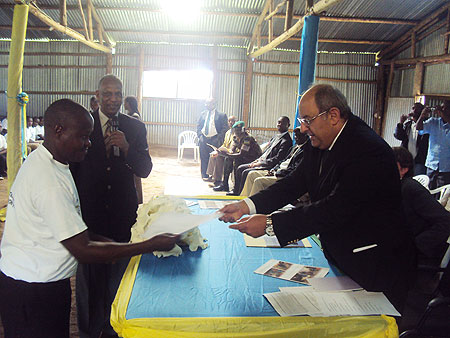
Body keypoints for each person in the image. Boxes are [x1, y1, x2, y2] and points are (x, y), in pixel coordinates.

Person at [219, 84, 416, 313]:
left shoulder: (368, 151)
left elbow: (335, 208)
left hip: (375, 264)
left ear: (332, 115)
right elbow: (296, 182)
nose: (303, 128)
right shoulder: (321, 139)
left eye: (307, 120)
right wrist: (247, 205)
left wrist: (271, 224)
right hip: (343, 254)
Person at [0, 99, 178, 338]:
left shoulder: (50, 163)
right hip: (32, 289)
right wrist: (149, 245)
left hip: (38, 281)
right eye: (83, 136)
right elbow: (83, 249)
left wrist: (115, 246)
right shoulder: (49, 181)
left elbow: (71, 229)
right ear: (58, 131)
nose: (89, 143)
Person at [70, 74, 153, 338]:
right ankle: (88, 331)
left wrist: (128, 148)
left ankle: (115, 329)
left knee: (119, 278)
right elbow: (71, 168)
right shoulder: (83, 124)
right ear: (97, 96)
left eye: (117, 94)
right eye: (107, 94)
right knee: (89, 281)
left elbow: (146, 169)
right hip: (90, 216)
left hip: (122, 215)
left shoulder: (135, 128)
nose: (113, 99)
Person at [393, 146, 450, 265]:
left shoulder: (410, 188)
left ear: (404, 169)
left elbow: (446, 221)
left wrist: (413, 246)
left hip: (415, 259)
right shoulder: (391, 187)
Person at [227, 116, 292, 196]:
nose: (279, 124)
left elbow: (278, 158)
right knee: (235, 163)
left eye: (282, 123)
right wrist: (258, 160)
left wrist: (259, 163)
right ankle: (236, 191)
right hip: (259, 160)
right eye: (278, 122)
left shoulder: (286, 141)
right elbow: (266, 152)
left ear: (288, 125)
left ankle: (241, 194)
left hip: (268, 165)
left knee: (243, 169)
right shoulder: (276, 137)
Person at [240, 127, 308, 196]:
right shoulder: (294, 147)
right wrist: (273, 169)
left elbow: (294, 169)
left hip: (283, 175)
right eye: (295, 135)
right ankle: (244, 199)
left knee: (259, 181)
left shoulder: (305, 151)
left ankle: (252, 204)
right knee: (251, 174)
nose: (296, 137)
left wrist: (277, 172)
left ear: (306, 136)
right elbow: (283, 161)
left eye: (299, 135)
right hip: (276, 170)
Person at [416, 101, 450, 190]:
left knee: (443, 193)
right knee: (429, 190)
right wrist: (422, 116)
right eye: (442, 108)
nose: (442, 110)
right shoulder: (433, 122)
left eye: (446, 108)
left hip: (446, 167)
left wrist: (442, 113)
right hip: (431, 164)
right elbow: (418, 128)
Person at [196, 98, 228, 180]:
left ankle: (213, 176)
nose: (206, 105)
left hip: (214, 139)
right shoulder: (203, 114)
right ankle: (204, 175)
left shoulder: (221, 115)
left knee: (213, 158)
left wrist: (218, 138)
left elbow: (225, 129)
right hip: (203, 138)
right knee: (203, 157)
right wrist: (200, 136)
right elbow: (199, 126)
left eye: (209, 104)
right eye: (206, 103)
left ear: (214, 104)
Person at [394, 103, 429, 175]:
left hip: (420, 160)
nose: (414, 110)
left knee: (418, 180)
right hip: (406, 159)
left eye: (417, 109)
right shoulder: (408, 124)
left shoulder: (427, 124)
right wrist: (401, 123)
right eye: (413, 108)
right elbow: (398, 136)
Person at [205, 115, 236, 186]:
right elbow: (224, 144)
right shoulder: (228, 132)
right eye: (229, 121)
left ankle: (218, 180)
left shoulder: (237, 132)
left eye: (233, 121)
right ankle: (211, 176)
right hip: (226, 151)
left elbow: (235, 146)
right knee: (213, 154)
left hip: (233, 153)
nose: (231, 123)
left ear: (236, 122)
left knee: (219, 157)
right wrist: (218, 149)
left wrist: (226, 150)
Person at [123, 96, 143, 203]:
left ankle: (139, 203)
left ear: (129, 103)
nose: (124, 104)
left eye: (125, 102)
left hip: (133, 152)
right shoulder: (130, 115)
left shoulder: (134, 117)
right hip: (131, 151)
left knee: (136, 181)